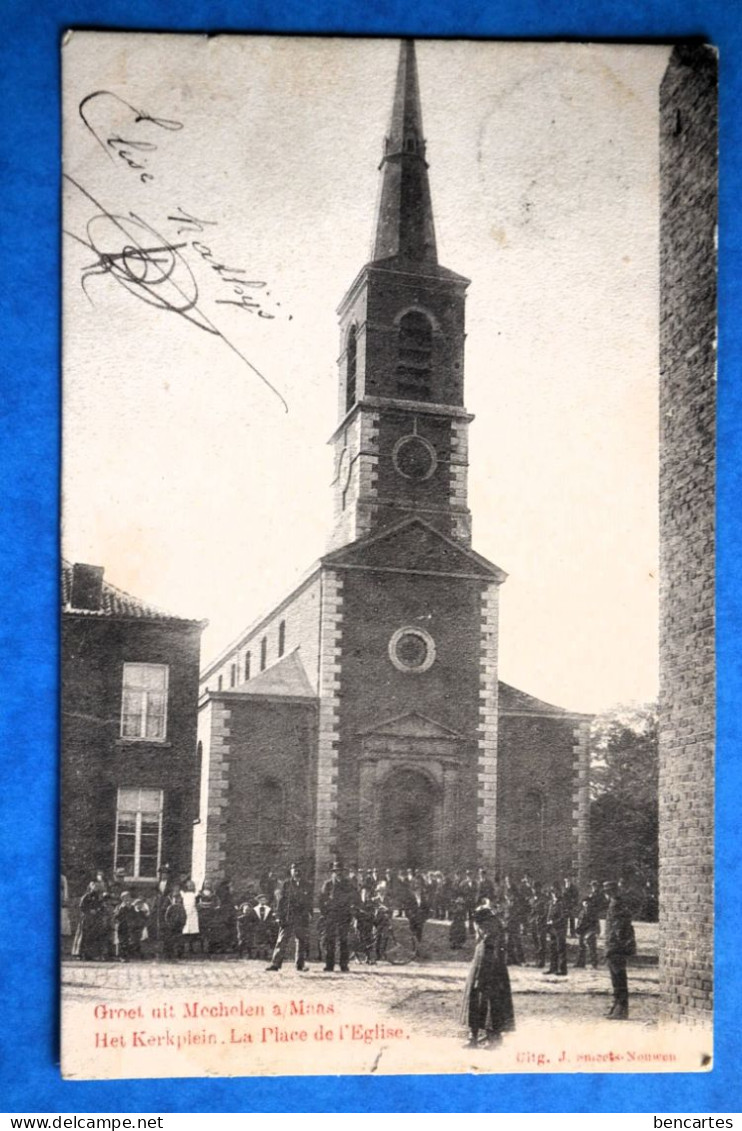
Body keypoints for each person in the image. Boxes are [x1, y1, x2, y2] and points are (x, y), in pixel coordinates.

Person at [460, 905, 515, 1048]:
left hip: (489, 973)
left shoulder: (490, 936)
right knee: (478, 1001)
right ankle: (477, 1036)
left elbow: (491, 954)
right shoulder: (488, 934)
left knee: (489, 1003)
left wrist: (482, 975)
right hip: (481, 970)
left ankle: (492, 1038)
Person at [266, 863, 312, 972]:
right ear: (291, 871)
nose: (296, 872)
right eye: (294, 869)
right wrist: (279, 916)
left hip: (301, 918)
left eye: (299, 870)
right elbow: (281, 902)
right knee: (282, 940)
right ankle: (275, 964)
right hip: (287, 917)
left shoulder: (307, 885)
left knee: (301, 941)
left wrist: (309, 914)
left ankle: (300, 964)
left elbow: (309, 901)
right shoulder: (286, 884)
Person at [603, 880, 635, 1019]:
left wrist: (613, 945)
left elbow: (618, 929)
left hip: (616, 947)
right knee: (617, 978)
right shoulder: (616, 904)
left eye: (607, 892)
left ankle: (621, 1009)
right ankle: (617, 1007)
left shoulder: (616, 905)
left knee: (618, 978)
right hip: (616, 946)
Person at [319, 860, 354, 972]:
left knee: (344, 941)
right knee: (330, 941)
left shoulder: (348, 884)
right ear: (333, 872)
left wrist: (351, 912)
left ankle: (344, 965)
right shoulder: (328, 884)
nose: (338, 873)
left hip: (344, 916)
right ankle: (329, 965)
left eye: (340, 871)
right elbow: (321, 899)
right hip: (331, 916)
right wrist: (325, 913)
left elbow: (353, 898)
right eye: (336, 871)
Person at [544, 885, 568, 976]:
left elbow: (563, 917)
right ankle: (553, 968)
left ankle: (562, 970)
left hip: (560, 928)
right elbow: (549, 914)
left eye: (556, 892)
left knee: (560, 949)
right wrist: (548, 923)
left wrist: (553, 921)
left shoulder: (562, 903)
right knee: (552, 949)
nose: (555, 894)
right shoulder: (551, 903)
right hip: (552, 929)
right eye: (553, 892)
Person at [574, 895, 600, 968]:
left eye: (588, 903)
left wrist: (596, 931)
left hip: (590, 931)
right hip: (582, 931)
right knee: (581, 947)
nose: (586, 904)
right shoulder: (582, 911)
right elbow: (579, 922)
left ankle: (594, 964)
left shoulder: (593, 912)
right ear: (582, 903)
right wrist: (577, 930)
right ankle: (580, 963)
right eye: (585, 903)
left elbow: (596, 922)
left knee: (592, 948)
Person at [181, 879, 201, 956]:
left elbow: (198, 903)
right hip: (185, 912)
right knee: (185, 929)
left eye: (192, 885)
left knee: (193, 930)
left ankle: (193, 948)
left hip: (193, 913)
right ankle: (186, 948)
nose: (190, 887)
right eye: (189, 885)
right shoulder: (183, 894)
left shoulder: (196, 894)